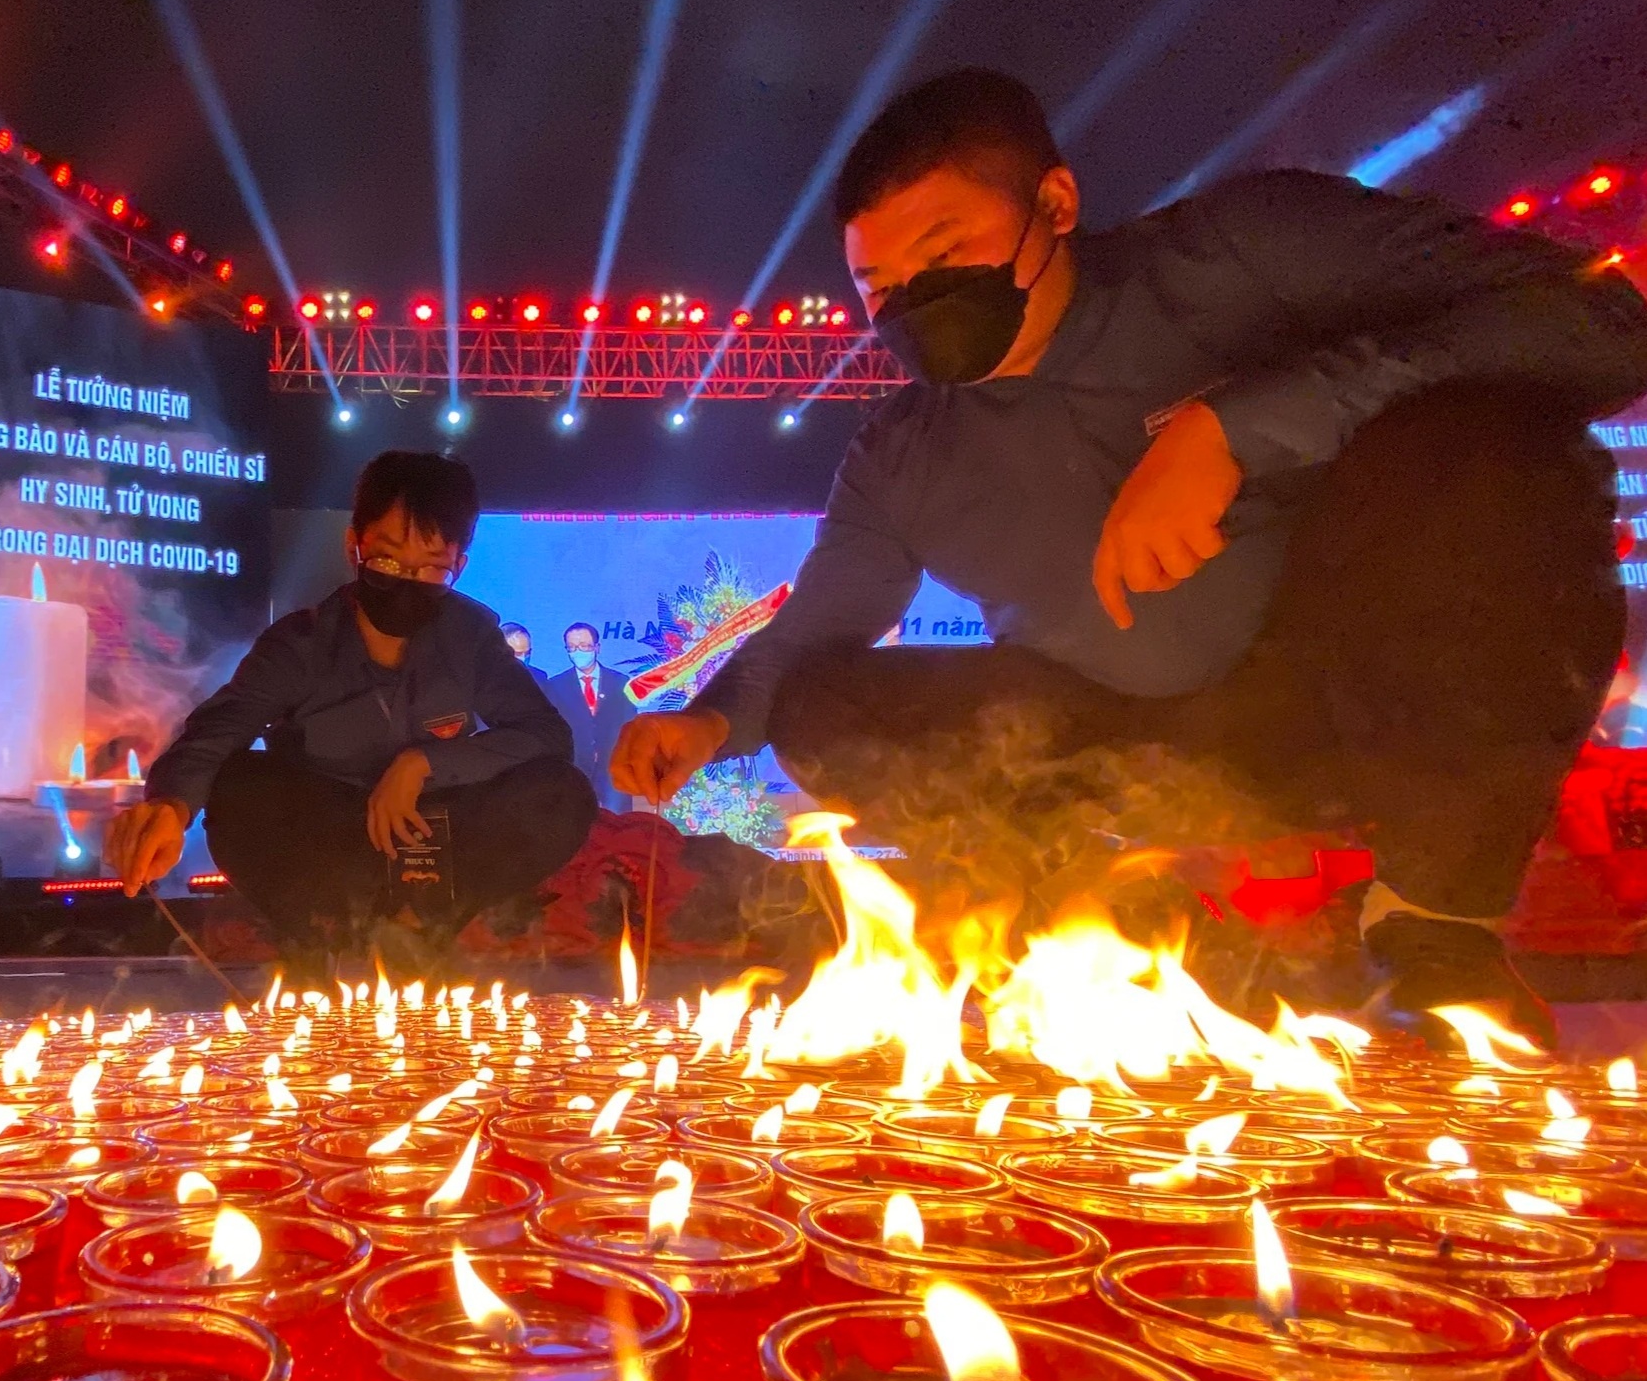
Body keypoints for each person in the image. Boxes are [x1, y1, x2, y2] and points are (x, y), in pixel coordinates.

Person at [612, 67, 1647, 1045]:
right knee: (827, 704)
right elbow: (817, 627)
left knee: (1503, 451)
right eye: (879, 284)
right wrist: (708, 713)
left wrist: (1241, 425)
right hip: (1114, 755)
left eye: (944, 249)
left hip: (1342, 698)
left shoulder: (1238, 257)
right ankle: (1092, 923)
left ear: (1054, 203)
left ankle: (1432, 928)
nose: (913, 303)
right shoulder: (903, 450)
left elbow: (1599, 323)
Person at [106, 452, 593, 972]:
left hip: (444, 837)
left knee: (558, 794)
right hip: (336, 843)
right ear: (353, 546)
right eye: (386, 560)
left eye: (432, 567)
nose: (408, 581)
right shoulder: (302, 643)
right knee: (239, 786)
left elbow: (544, 735)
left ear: (460, 566)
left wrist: (423, 764)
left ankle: (436, 923)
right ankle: (333, 935)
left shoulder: (469, 634)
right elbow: (221, 729)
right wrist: (171, 806)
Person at [555, 622, 634, 814]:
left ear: (597, 647)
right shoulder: (556, 686)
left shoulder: (621, 683)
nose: (578, 651)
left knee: (616, 828)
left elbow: (630, 727)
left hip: (613, 770)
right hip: (574, 770)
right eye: (572, 647)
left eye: (584, 646)